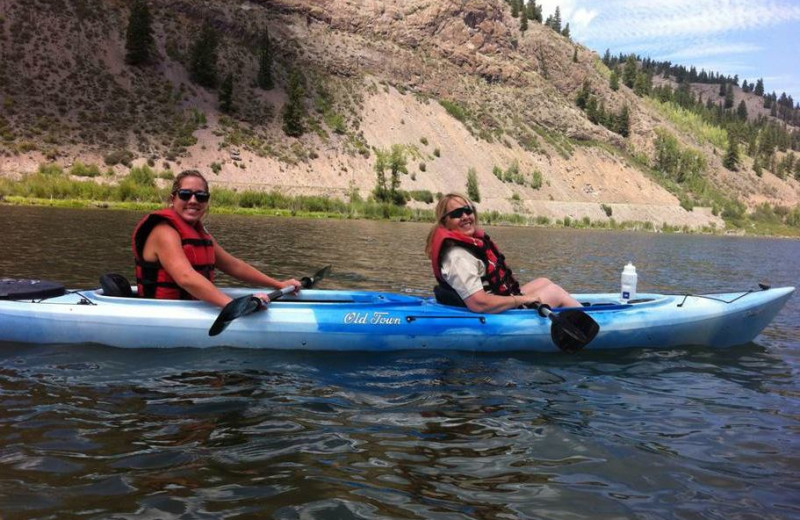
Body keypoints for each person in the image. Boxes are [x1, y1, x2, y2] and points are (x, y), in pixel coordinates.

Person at [132, 169, 301, 308]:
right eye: (185, 194)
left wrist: (278, 284)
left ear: (206, 201)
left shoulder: (199, 233)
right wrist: (234, 306)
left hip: (189, 308)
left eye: (201, 196)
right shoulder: (164, 231)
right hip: (162, 312)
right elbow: (186, 277)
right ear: (172, 199)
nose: (193, 200)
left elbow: (234, 266)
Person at [425, 193, 581, 313]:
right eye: (457, 213)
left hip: (497, 301)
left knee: (544, 282)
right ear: (445, 221)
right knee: (555, 293)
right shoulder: (458, 257)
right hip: (493, 313)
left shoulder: (464, 248)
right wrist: (520, 300)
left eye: (468, 210)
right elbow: (479, 303)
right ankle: (593, 323)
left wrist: (520, 298)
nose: (465, 216)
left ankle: (572, 309)